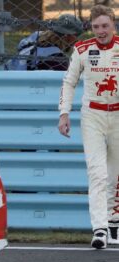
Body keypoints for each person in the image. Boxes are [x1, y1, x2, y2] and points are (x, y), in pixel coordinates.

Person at [58, 5, 119, 249]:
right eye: (96, 27)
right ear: (90, 28)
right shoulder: (82, 49)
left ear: (113, 25)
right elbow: (69, 82)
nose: (101, 31)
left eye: (105, 26)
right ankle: (100, 229)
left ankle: (114, 223)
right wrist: (64, 114)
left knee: (115, 176)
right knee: (97, 173)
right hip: (92, 116)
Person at [5, 14, 84, 71]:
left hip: (8, 74)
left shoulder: (35, 37)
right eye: (76, 35)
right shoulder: (56, 58)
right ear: (68, 36)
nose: (77, 40)